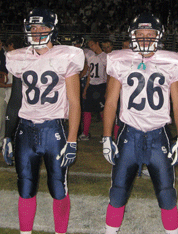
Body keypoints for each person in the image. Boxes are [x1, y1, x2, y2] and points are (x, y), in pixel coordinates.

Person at [102, 12, 178, 234]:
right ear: (133, 35)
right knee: (118, 191)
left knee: (167, 193)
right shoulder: (120, 59)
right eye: (141, 34)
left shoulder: (171, 61)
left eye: (151, 34)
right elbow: (110, 102)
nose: (146, 38)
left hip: (159, 134)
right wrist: (106, 137)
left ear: (159, 36)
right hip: (129, 134)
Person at [2, 8, 84, 234]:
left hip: (53, 130)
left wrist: (73, 139)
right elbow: (16, 100)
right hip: (25, 131)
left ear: (52, 30)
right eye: (32, 27)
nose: (36, 31)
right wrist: (7, 135)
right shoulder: (19, 57)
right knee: (25, 186)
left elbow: (75, 103)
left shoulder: (66, 56)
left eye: (42, 27)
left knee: (58, 187)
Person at [79, 37, 107, 140]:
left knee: (103, 111)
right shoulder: (90, 55)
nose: (91, 47)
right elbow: (89, 74)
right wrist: (86, 89)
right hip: (91, 86)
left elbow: (108, 75)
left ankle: (105, 135)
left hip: (101, 86)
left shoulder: (105, 57)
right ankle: (85, 133)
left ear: (97, 43)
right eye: (90, 46)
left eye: (92, 44)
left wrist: (107, 90)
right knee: (86, 110)